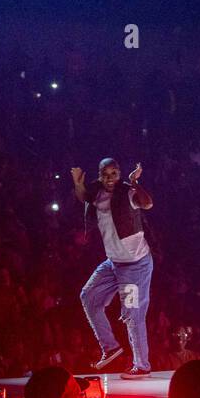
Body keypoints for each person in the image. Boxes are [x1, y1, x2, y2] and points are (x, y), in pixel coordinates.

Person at [72, 157, 155, 379]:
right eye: (105, 174)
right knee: (89, 297)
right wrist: (78, 184)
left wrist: (135, 183)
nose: (110, 179)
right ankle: (110, 347)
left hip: (134, 266)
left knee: (132, 314)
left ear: (120, 174)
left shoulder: (127, 192)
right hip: (113, 264)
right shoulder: (96, 192)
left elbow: (147, 204)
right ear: (100, 175)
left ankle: (142, 365)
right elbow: (83, 198)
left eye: (114, 174)